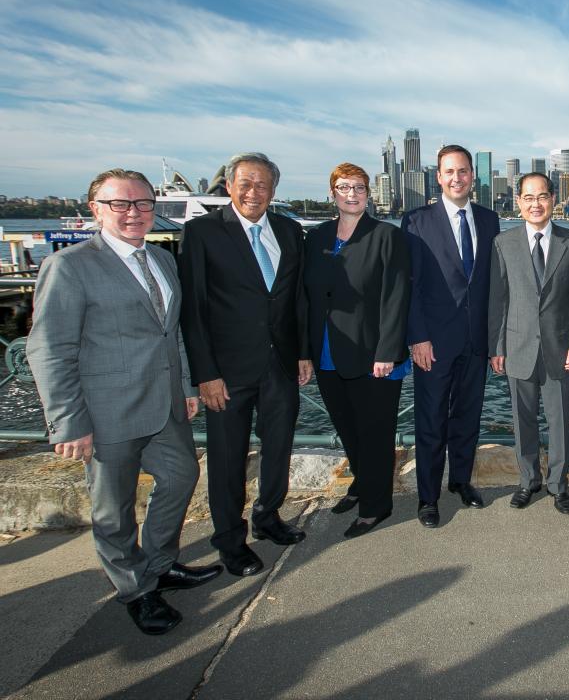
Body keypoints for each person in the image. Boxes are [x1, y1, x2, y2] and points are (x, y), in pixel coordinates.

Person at [26, 169, 220, 636]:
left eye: (143, 204)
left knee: (181, 476)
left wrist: (189, 387)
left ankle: (159, 563)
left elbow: (171, 333)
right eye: (121, 204)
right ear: (96, 209)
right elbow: (49, 347)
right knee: (113, 509)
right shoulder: (70, 266)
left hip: (164, 403)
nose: (134, 212)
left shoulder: (161, 259)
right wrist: (68, 422)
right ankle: (135, 589)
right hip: (105, 410)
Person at [178, 152, 312, 578]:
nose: (253, 192)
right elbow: (194, 311)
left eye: (262, 185)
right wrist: (205, 374)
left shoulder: (291, 232)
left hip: (281, 364)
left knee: (278, 447)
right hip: (227, 372)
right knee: (227, 458)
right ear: (230, 186)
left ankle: (268, 516)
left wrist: (304, 352)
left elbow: (298, 301)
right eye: (245, 183)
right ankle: (230, 542)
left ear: (274, 190)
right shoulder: (202, 232)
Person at [303, 163, 411, 539]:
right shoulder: (315, 238)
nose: (352, 194)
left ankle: (376, 506)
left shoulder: (386, 236)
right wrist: (304, 352)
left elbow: (396, 298)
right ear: (332, 192)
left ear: (369, 193)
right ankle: (362, 484)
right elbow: (307, 298)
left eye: (359, 187)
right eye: (344, 187)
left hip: (374, 355)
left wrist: (387, 352)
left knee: (375, 431)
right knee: (347, 427)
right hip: (328, 352)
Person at [402, 144, 500, 528]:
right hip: (434, 343)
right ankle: (428, 498)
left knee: (467, 417)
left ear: (473, 176)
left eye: (463, 171)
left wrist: (495, 341)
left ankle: (461, 481)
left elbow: (492, 284)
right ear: (438, 177)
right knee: (430, 421)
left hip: (476, 342)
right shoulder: (416, 221)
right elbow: (409, 286)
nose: (456, 178)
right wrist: (417, 338)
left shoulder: (490, 220)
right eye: (449, 172)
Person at [488, 173, 569, 515]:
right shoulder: (504, 243)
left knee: (559, 422)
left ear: (553, 199)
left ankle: (559, 486)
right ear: (518, 202)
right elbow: (499, 301)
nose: (535, 204)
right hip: (517, 348)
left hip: (561, 348)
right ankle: (528, 480)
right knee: (523, 420)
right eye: (528, 198)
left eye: (542, 196)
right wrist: (497, 347)